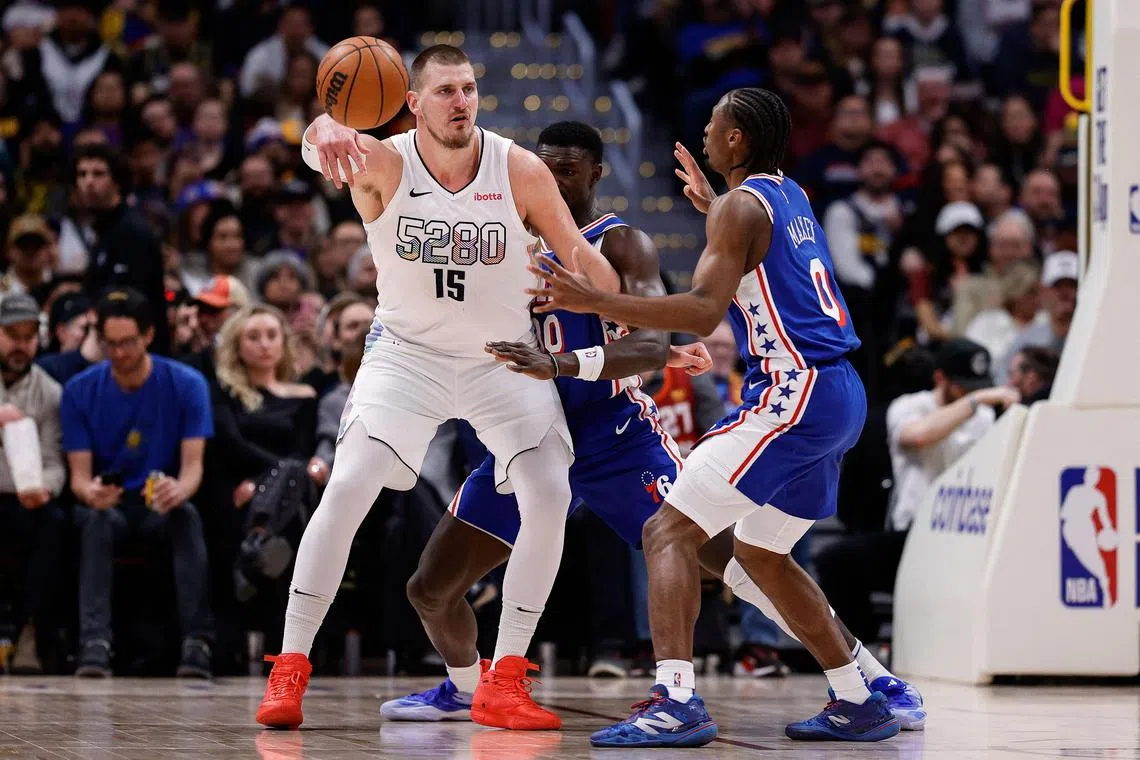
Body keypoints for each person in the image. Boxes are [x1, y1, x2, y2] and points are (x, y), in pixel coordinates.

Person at [533, 88, 921, 746]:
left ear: (737, 140)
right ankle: (861, 695)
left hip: (792, 393)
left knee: (667, 531)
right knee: (762, 556)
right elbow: (776, 266)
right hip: (840, 393)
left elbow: (703, 313)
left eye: (714, 126)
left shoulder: (741, 207)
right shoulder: (785, 195)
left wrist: (594, 297)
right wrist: (716, 213)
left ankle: (676, 700)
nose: (706, 135)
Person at [254, 45, 622, 731]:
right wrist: (320, 128)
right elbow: (317, 149)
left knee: (550, 492)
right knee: (347, 486)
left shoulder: (517, 167)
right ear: (413, 102)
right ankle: (290, 667)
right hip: (408, 357)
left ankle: (504, 677)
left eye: (471, 88)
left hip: (501, 358)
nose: (462, 101)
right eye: (446, 90)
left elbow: (584, 262)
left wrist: (635, 307)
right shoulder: (385, 160)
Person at [375, 120, 710, 723]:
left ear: (596, 175)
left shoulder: (620, 243)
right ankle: (465, 684)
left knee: (732, 562)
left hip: (613, 440)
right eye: (544, 168)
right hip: (522, 438)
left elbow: (652, 342)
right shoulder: (499, 240)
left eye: (569, 170)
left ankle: (852, 673)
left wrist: (591, 357)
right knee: (429, 590)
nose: (552, 180)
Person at [61, 289, 215, 678]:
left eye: (127, 342)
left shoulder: (186, 384)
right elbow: (78, 477)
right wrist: (91, 493)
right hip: (109, 503)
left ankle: (197, 641)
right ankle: (94, 641)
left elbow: (193, 466)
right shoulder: (79, 390)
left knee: (187, 516)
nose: (118, 353)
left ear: (148, 336)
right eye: (109, 344)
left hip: (158, 502)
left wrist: (180, 489)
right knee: (95, 523)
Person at [0, 294, 66, 674]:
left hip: (25, 498)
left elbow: (55, 461)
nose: (20, 344)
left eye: (28, 336)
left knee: (54, 522)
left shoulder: (50, 392)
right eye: (12, 334)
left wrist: (46, 489)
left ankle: (29, 630)